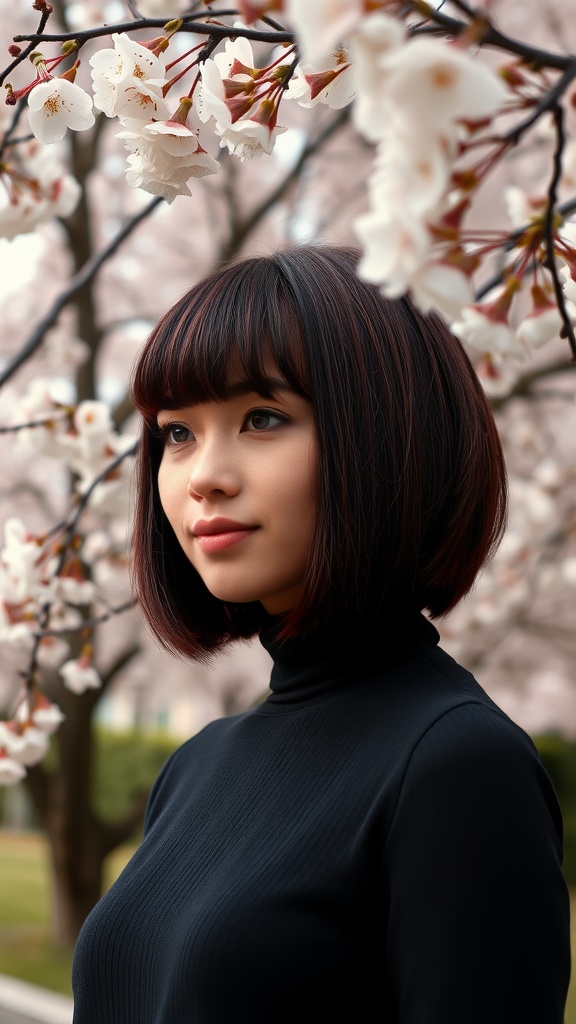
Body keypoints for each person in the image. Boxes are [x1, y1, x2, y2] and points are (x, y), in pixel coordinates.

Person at [72, 244, 571, 1023]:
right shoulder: (195, 767)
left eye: (262, 418)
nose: (203, 474)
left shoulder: (456, 768)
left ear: (386, 436)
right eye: (176, 434)